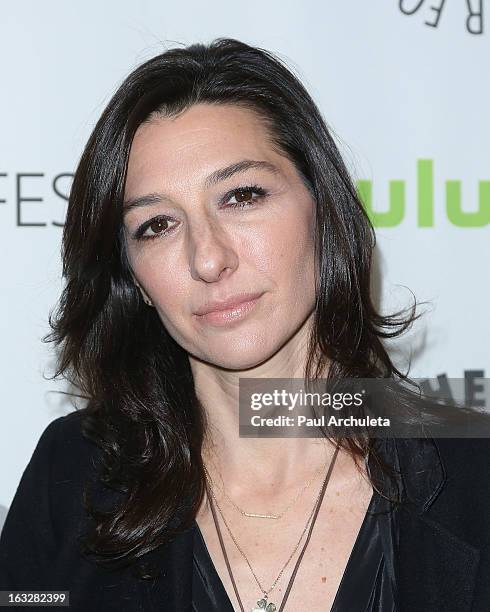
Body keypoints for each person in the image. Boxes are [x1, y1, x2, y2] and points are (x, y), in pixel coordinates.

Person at [1, 37, 490, 612]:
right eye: (157, 225)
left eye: (242, 195)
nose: (207, 259)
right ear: (132, 277)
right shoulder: (74, 473)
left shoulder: (474, 472)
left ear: (323, 208)